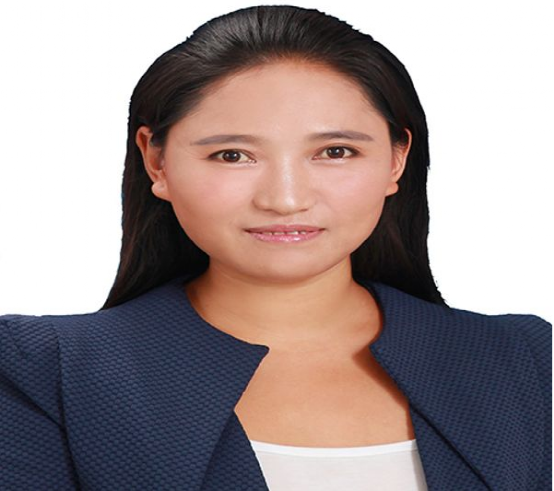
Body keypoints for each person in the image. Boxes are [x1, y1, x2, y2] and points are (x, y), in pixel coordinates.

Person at [0, 5, 550, 490]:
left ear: (396, 160)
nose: (285, 199)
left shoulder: (525, 361)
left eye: (335, 151)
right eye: (233, 155)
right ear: (156, 161)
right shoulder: (43, 373)